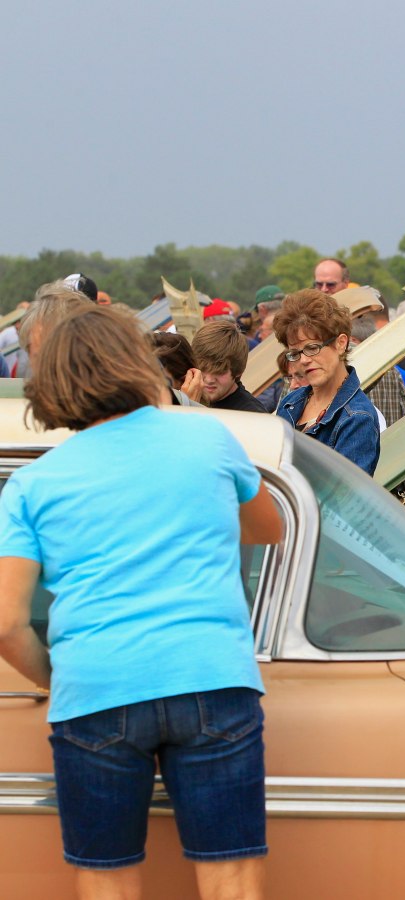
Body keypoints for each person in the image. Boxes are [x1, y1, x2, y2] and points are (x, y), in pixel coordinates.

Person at [0, 305, 282, 900]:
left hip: (95, 686)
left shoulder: (33, 484)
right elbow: (268, 528)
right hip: (210, 674)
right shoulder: (207, 437)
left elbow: (6, 624)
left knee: (108, 885)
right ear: (137, 363)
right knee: (231, 877)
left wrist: (59, 677)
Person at [274, 290, 381, 475]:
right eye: (295, 353)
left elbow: (344, 497)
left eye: (312, 347)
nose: (304, 360)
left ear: (341, 343)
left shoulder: (357, 418)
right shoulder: (291, 402)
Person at [190, 319, 269, 413]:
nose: (209, 380)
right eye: (203, 369)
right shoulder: (189, 398)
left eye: (220, 372)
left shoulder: (252, 416)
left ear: (238, 372)